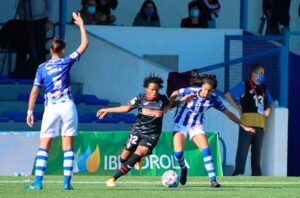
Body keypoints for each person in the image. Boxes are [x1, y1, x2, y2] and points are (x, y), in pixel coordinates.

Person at [24, 12, 88, 190]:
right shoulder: (67, 61)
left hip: (51, 108)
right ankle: (67, 184)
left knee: (44, 146)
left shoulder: (42, 68)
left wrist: (29, 112)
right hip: (67, 106)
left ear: (50, 50)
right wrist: (81, 24)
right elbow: (84, 45)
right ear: (62, 50)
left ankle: (38, 183)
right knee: (68, 146)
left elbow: (35, 91)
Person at [96, 74, 193, 187]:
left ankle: (113, 179)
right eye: (152, 89)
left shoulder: (162, 100)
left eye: (156, 90)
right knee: (123, 159)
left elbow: (170, 106)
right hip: (137, 131)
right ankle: (139, 159)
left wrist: (183, 100)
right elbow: (126, 108)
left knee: (136, 155)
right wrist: (108, 110)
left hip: (152, 135)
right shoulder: (139, 98)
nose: (154, 92)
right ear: (147, 88)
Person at [168, 74, 255, 188]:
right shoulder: (192, 91)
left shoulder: (214, 99)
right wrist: (169, 106)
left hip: (196, 125)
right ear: (201, 87)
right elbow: (174, 93)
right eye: (204, 89)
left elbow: (228, 113)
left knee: (206, 151)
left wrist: (243, 126)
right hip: (180, 123)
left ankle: (213, 181)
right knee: (178, 153)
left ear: (213, 90)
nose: (206, 93)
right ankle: (184, 168)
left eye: (209, 91)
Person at [225, 63, 273, 176]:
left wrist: (269, 110)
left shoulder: (263, 88)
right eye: (260, 73)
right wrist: (238, 108)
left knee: (257, 154)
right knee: (242, 151)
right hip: (247, 124)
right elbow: (228, 95)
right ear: (253, 74)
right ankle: (238, 173)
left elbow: (271, 103)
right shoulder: (244, 85)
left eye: (263, 74)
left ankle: (256, 175)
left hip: (260, 124)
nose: (262, 75)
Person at [13, 0, 55, 78]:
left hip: (39, 20)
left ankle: (39, 74)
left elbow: (50, 3)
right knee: (21, 47)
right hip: (23, 20)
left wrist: (50, 20)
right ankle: (20, 71)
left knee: (39, 47)